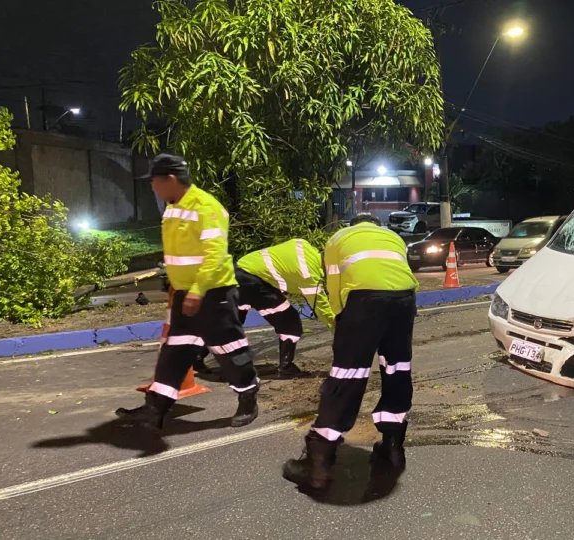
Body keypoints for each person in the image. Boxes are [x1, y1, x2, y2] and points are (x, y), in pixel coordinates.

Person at [116, 153, 260, 429]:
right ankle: (155, 408)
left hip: (213, 293)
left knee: (229, 350)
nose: (152, 187)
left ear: (170, 179)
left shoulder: (206, 207)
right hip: (186, 293)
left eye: (154, 181)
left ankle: (248, 396)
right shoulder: (173, 206)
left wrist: (197, 290)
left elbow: (215, 253)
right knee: (175, 352)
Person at [282, 213, 418, 489]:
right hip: (404, 299)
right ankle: (393, 446)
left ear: (353, 225)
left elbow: (335, 287)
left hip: (363, 301)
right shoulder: (394, 237)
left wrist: (340, 322)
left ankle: (319, 461)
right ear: (375, 226)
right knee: (397, 368)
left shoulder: (338, 239)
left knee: (347, 376)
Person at [234, 239, 336, 377]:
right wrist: (336, 327)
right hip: (253, 281)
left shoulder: (304, 245)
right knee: (290, 322)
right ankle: (285, 367)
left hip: (242, 273)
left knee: (233, 321)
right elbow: (321, 306)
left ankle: (199, 360)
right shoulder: (308, 274)